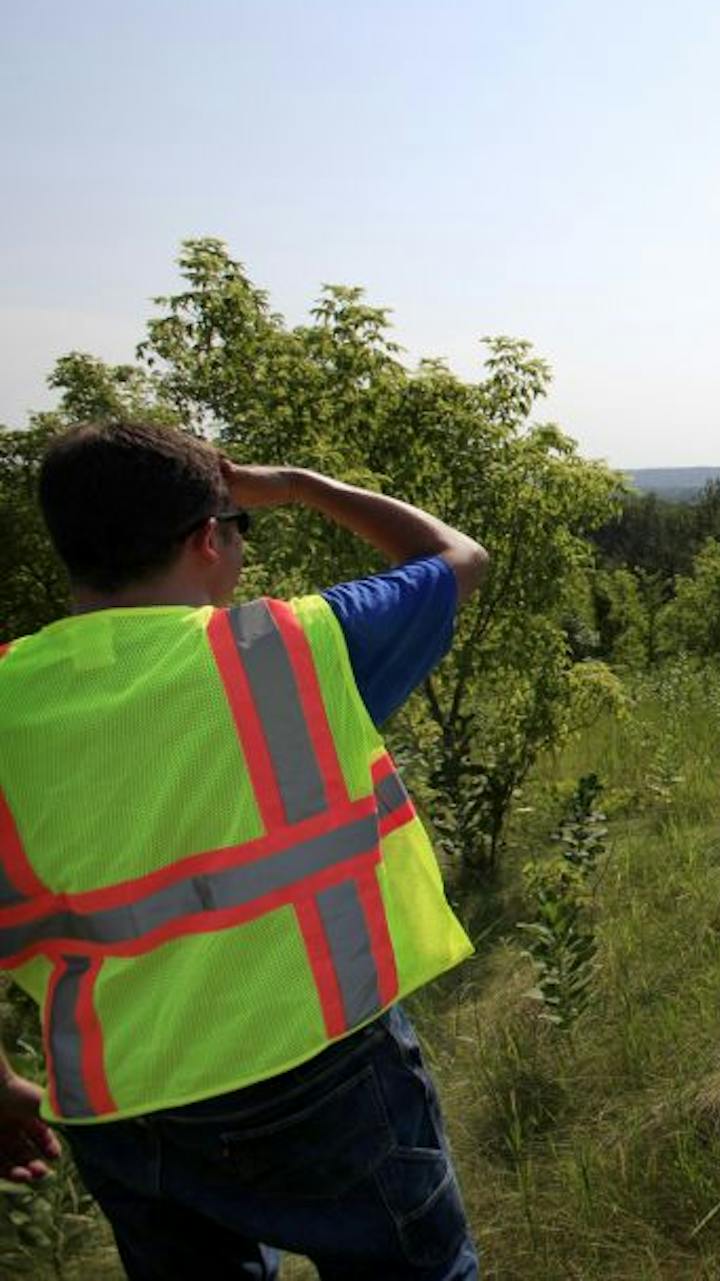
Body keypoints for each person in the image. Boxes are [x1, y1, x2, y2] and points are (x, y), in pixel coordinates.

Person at [0, 420, 490, 1279]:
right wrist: (302, 484)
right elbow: (457, 557)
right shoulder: (288, 649)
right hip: (324, 1072)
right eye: (237, 526)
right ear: (208, 538)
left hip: (123, 1102)